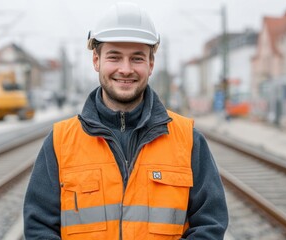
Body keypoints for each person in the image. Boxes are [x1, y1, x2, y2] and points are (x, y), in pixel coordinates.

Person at [23, 2, 228, 239]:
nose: (125, 69)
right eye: (115, 57)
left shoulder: (188, 140)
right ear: (96, 61)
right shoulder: (61, 141)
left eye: (137, 58)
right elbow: (39, 227)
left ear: (151, 64)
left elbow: (210, 224)